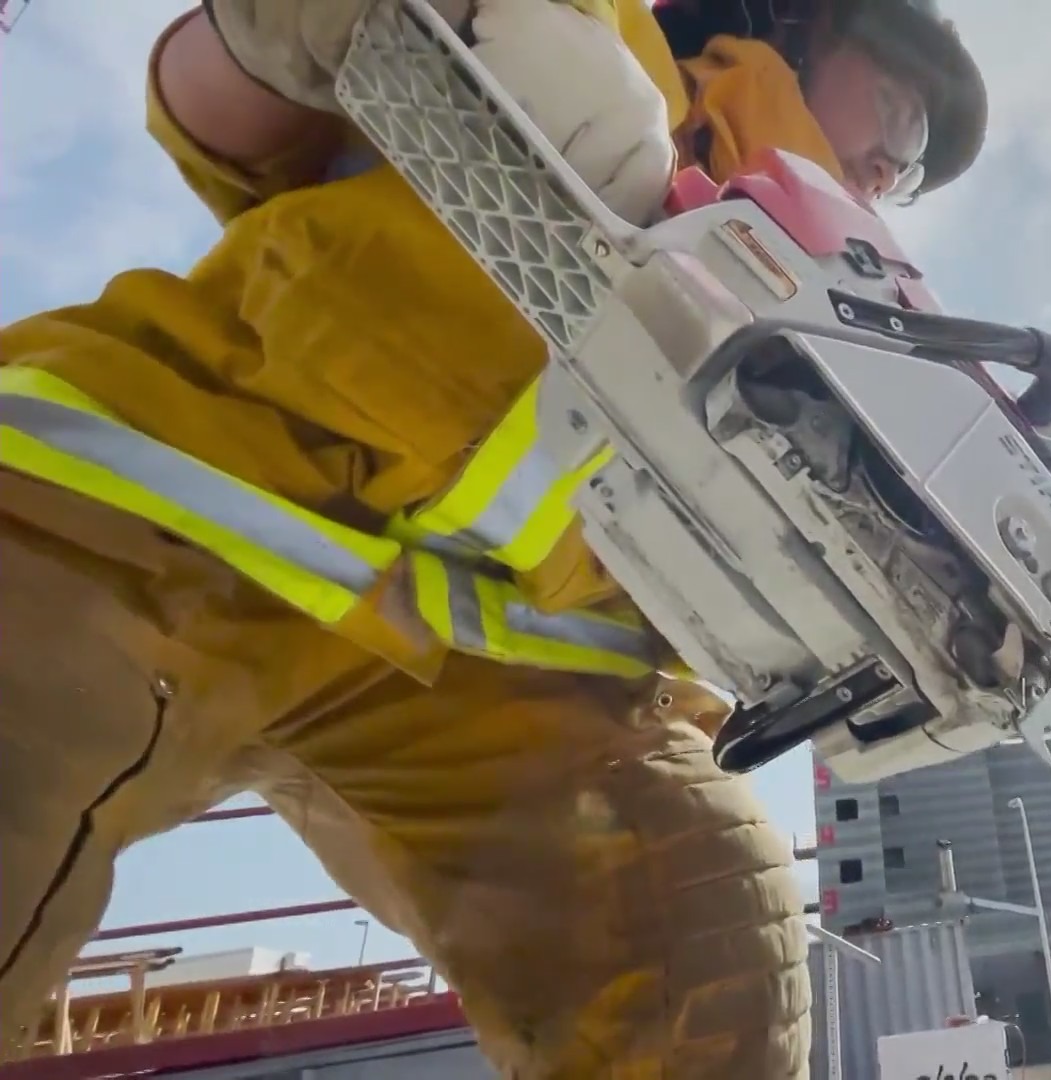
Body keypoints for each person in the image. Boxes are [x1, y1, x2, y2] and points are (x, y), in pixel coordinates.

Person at [0, 0, 984, 1076]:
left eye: (922, 163)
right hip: (154, 493)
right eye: (900, 108)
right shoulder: (615, 54)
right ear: (792, 23)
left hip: (501, 659)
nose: (900, 162)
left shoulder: (851, 329)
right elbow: (217, 110)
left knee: (696, 963)